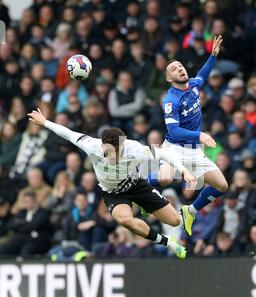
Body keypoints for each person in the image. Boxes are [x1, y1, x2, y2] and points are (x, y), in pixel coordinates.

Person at [27, 108, 197, 259]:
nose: (111, 157)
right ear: (102, 146)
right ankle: (169, 244)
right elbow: (68, 133)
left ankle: (146, 204)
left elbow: (164, 154)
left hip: (136, 185)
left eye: (116, 152)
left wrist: (184, 171)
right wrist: (45, 122)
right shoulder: (91, 145)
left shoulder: (135, 149)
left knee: (175, 221)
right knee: (126, 220)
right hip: (113, 192)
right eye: (107, 152)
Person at [150, 35, 228, 236]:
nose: (180, 69)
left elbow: (203, 74)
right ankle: (136, 184)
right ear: (169, 79)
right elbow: (174, 131)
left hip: (194, 151)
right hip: (174, 148)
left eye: (180, 66)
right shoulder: (170, 100)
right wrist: (199, 135)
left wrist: (212, 55)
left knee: (222, 185)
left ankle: (190, 211)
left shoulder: (193, 85)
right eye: (174, 69)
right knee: (165, 179)